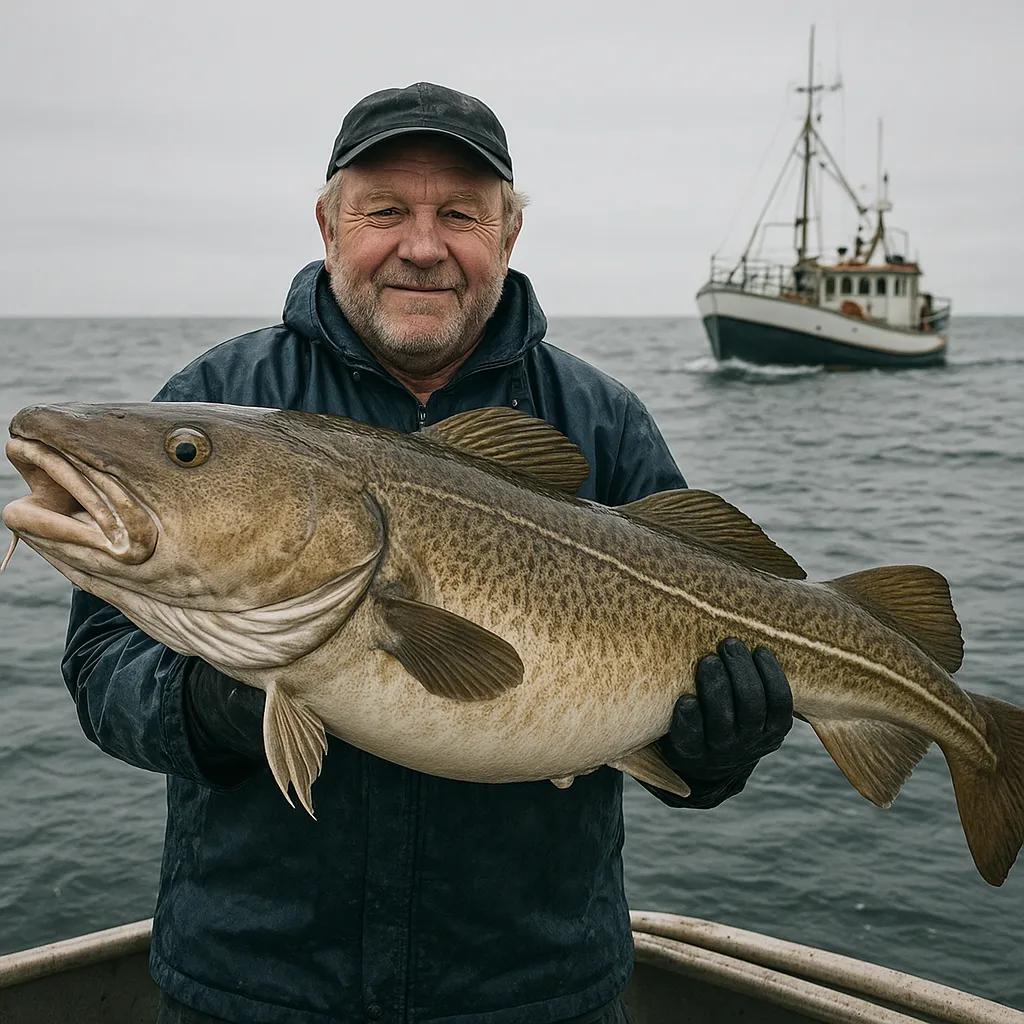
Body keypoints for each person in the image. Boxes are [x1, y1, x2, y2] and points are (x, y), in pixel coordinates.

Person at [62, 83, 794, 1024]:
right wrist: (204, 707)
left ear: (508, 237)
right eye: (385, 212)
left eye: (460, 214)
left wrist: (716, 754)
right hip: (254, 986)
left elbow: (678, 716)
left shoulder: (602, 422)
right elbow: (97, 668)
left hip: (536, 992)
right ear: (327, 226)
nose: (421, 245)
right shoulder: (217, 398)